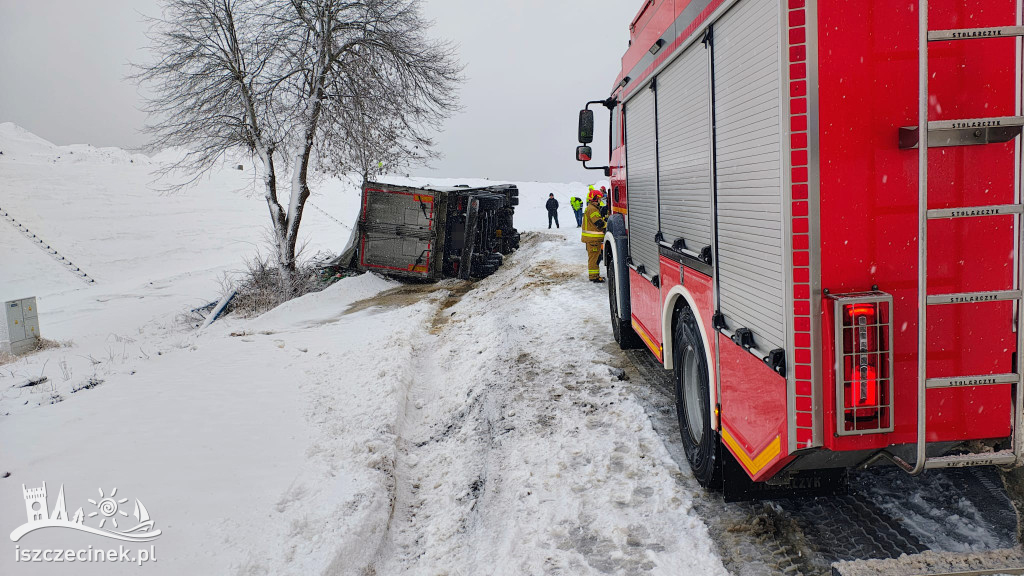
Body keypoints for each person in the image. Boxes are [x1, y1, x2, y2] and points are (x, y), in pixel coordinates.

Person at [581, 189, 607, 282]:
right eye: (599, 199)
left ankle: (594, 275)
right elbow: (598, 223)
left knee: (595, 258)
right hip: (593, 240)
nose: (600, 201)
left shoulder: (591, 208)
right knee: (594, 259)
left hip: (592, 239)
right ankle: (594, 277)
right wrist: (608, 224)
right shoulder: (592, 209)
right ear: (595, 199)